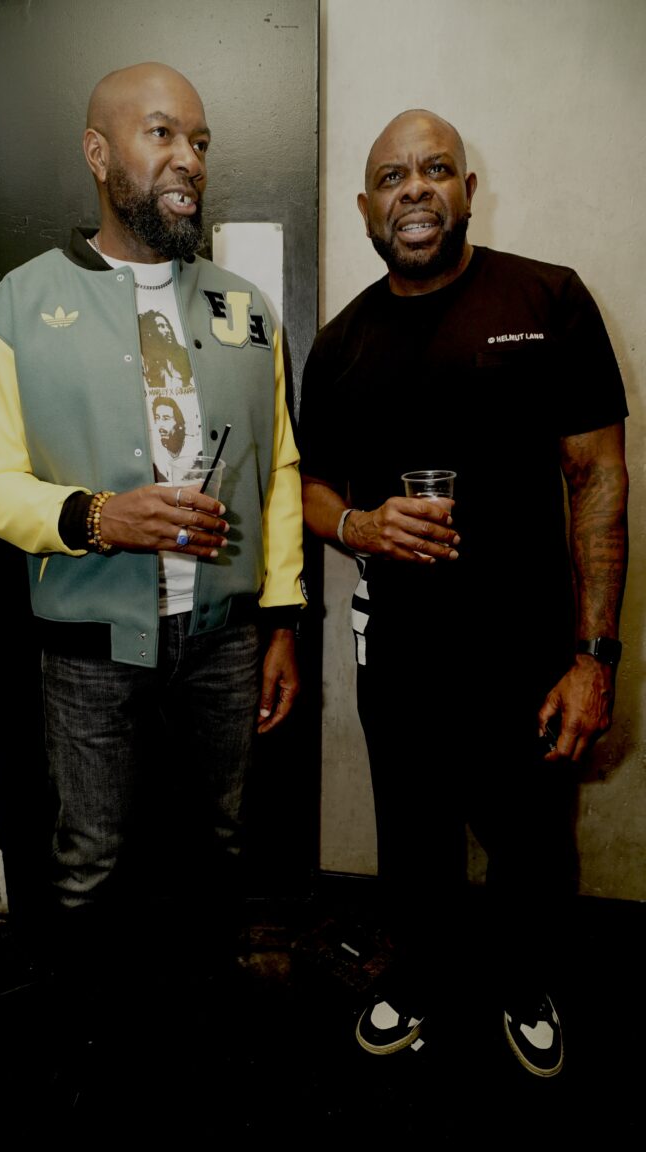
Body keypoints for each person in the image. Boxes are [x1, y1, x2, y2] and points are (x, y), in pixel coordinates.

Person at [0, 62, 306, 1035]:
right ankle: (86, 1033)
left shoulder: (247, 310)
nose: (189, 158)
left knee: (222, 838)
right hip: (90, 649)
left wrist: (281, 619)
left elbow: (279, 469)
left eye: (200, 140)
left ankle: (211, 1011)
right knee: (92, 858)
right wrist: (98, 518)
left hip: (226, 639)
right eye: (161, 134)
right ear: (98, 154)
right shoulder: (15, 308)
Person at [296, 109, 629, 1078]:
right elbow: (310, 488)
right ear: (366, 207)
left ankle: (525, 986)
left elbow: (598, 480)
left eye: (434, 168)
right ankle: (422, 979)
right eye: (391, 176)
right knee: (414, 843)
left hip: (529, 654)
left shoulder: (549, 298)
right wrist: (361, 526)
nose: (413, 188)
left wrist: (594, 659)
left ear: (466, 191)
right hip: (400, 656)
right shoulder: (341, 344)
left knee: (532, 846)